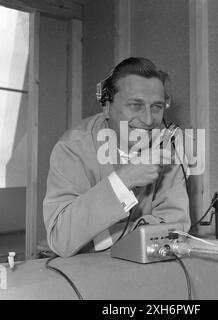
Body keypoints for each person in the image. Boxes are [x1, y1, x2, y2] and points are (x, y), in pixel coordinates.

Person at [43, 57, 190, 257]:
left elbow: (176, 227)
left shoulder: (168, 146)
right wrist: (124, 180)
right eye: (135, 105)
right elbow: (61, 238)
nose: (148, 120)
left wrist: (101, 236)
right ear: (106, 106)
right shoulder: (73, 148)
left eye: (156, 107)